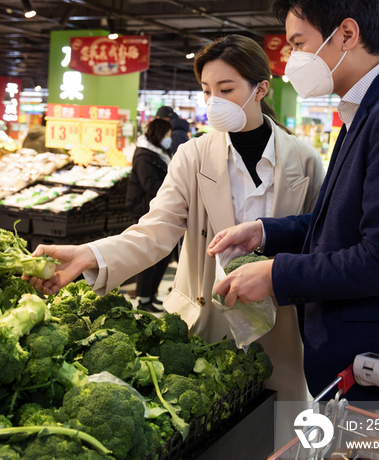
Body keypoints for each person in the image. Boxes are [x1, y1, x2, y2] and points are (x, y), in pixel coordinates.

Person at [208, 0, 379, 404]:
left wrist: (276, 274)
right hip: (363, 364)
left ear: (346, 33)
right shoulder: (365, 111)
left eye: (299, 43)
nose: (292, 59)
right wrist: (265, 232)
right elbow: (338, 223)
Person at [26, 34, 325, 405]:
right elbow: (155, 230)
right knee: (212, 440)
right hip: (204, 322)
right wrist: (90, 255)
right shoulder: (193, 156)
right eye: (206, 90)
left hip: (278, 327)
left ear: (261, 88)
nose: (214, 101)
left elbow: (317, 241)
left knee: (276, 440)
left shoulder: (305, 160)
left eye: (226, 88)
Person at [126, 117, 173, 312]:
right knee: (148, 255)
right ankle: (144, 299)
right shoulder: (144, 155)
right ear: (159, 135)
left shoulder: (160, 153)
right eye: (168, 135)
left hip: (157, 208)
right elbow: (149, 184)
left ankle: (152, 294)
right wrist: (173, 190)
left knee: (162, 256)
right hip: (145, 210)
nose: (169, 138)